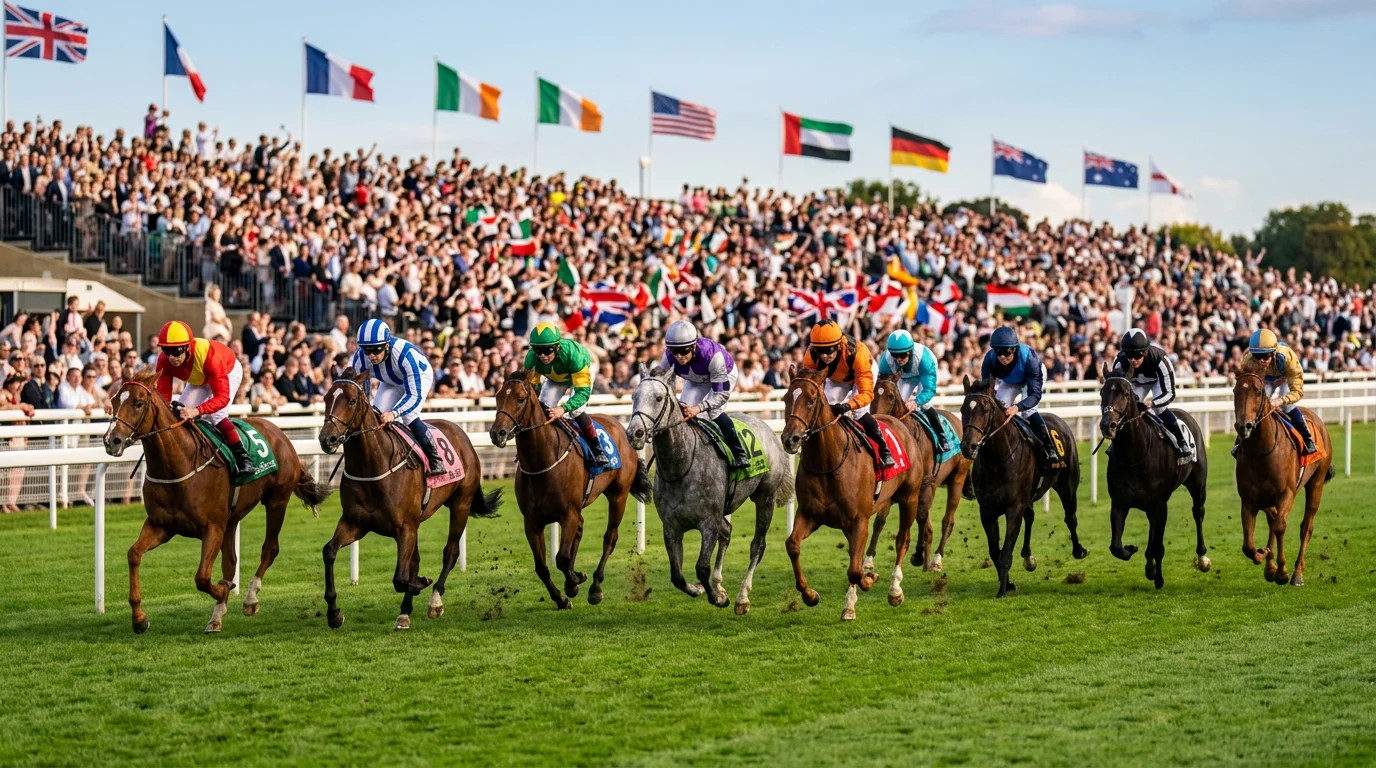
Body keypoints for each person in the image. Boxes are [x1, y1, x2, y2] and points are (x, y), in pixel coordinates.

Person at [150, 320, 256, 478]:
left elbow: (222, 397)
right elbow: (163, 396)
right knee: (179, 415)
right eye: (166, 350)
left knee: (216, 415)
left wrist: (197, 410)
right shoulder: (164, 360)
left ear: (187, 347)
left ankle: (243, 459)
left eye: (176, 351)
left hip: (227, 370)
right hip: (199, 378)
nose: (172, 357)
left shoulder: (209, 357)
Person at [348, 319, 444, 476]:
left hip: (418, 377)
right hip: (391, 381)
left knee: (408, 416)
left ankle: (435, 459)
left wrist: (394, 413)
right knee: (376, 417)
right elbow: (360, 392)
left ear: (387, 345)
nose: (371, 355)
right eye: (366, 350)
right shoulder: (360, 358)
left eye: (376, 349)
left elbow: (413, 395)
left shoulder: (405, 355)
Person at [802, 319, 893, 468]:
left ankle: (884, 449)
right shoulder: (811, 355)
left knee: (859, 412)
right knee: (828, 409)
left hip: (863, 373)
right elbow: (809, 385)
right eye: (820, 351)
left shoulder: (858, 353)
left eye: (829, 350)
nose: (824, 356)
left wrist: (848, 405)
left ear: (838, 345)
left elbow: (866, 394)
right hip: (838, 378)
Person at [661, 319, 749, 470]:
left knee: (713, 411)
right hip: (696, 379)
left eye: (684, 351)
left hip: (723, 374)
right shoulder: (668, 357)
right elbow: (659, 382)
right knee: (683, 413)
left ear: (694, 346)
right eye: (675, 351)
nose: (679, 356)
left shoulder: (713, 356)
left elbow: (721, 396)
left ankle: (739, 453)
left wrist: (698, 408)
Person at [523, 322, 609, 466]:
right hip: (555, 378)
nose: (542, 355)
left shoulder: (575, 356)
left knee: (576, 411)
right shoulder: (531, 359)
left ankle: (597, 450)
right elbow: (533, 387)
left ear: (557, 346)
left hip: (580, 372)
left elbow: (582, 394)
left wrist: (563, 409)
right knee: (544, 409)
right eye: (538, 350)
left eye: (547, 350)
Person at [980, 326, 1058, 464]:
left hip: (1031, 378)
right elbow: (986, 389)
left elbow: (1034, 396)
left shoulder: (1030, 359)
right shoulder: (990, 359)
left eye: (1006, 352)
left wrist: (1017, 407)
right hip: (1010, 380)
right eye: (998, 351)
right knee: (1001, 406)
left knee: (1028, 411)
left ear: (1015, 349)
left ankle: (1049, 447)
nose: (1002, 356)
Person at [1109, 328, 1189, 458]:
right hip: (1135, 383)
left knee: (1160, 409)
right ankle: (1116, 443)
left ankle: (1181, 440)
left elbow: (1170, 393)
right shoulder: (1119, 362)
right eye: (1129, 356)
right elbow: (1117, 392)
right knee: (1126, 409)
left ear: (1145, 352)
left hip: (1157, 381)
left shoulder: (1160, 359)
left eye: (1137, 356)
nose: (1133, 360)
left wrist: (1152, 403)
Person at [1241, 328, 1315, 454]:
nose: (1261, 361)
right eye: (1257, 356)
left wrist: (1280, 400)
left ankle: (1307, 438)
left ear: (1273, 353)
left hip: (1285, 376)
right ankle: (1240, 441)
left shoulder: (1288, 358)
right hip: (1265, 379)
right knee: (1256, 405)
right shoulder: (1248, 360)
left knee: (1287, 406)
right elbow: (1244, 382)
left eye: (1265, 356)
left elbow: (1298, 392)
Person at [878, 329, 949, 455]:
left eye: (902, 355)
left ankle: (941, 437)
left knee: (924, 405)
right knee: (896, 404)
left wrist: (917, 401)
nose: (898, 359)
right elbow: (884, 386)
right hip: (904, 377)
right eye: (895, 355)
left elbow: (929, 389)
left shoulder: (925, 359)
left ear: (910, 352)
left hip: (922, 374)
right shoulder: (886, 360)